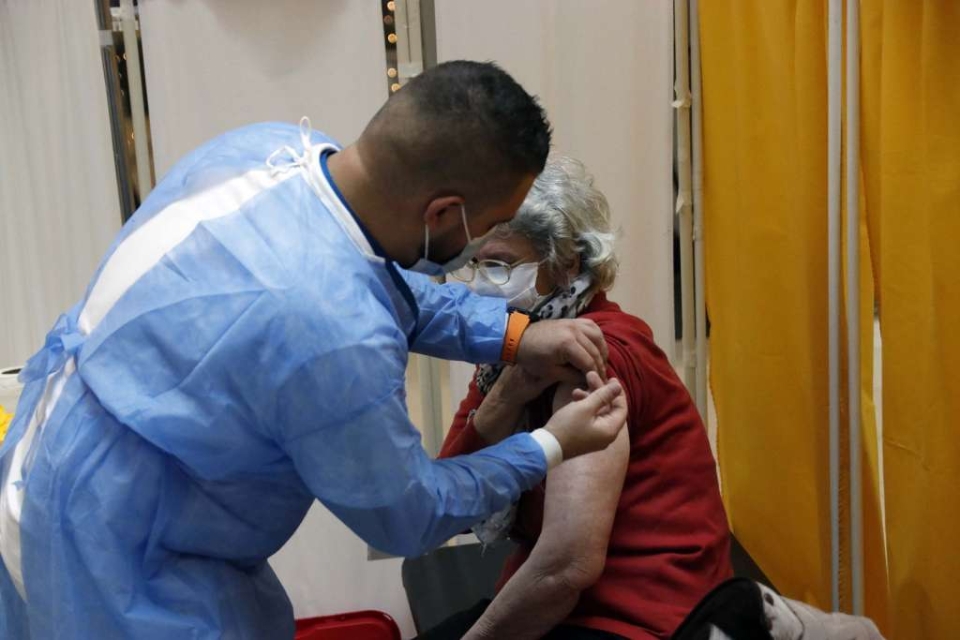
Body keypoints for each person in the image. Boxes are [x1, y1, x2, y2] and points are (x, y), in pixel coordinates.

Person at [0, 62, 628, 639]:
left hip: (65, 458)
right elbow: (408, 516)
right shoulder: (336, 337)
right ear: (443, 213)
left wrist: (513, 334)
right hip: (113, 553)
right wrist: (549, 445)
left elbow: (375, 284)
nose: (484, 247)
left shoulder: (270, 152)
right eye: (489, 226)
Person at [421, 157, 732, 640]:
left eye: (499, 265)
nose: (481, 282)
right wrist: (508, 393)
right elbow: (450, 504)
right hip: (564, 606)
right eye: (475, 263)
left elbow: (567, 566)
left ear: (566, 263)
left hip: (641, 618)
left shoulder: (595, 358)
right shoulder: (511, 352)